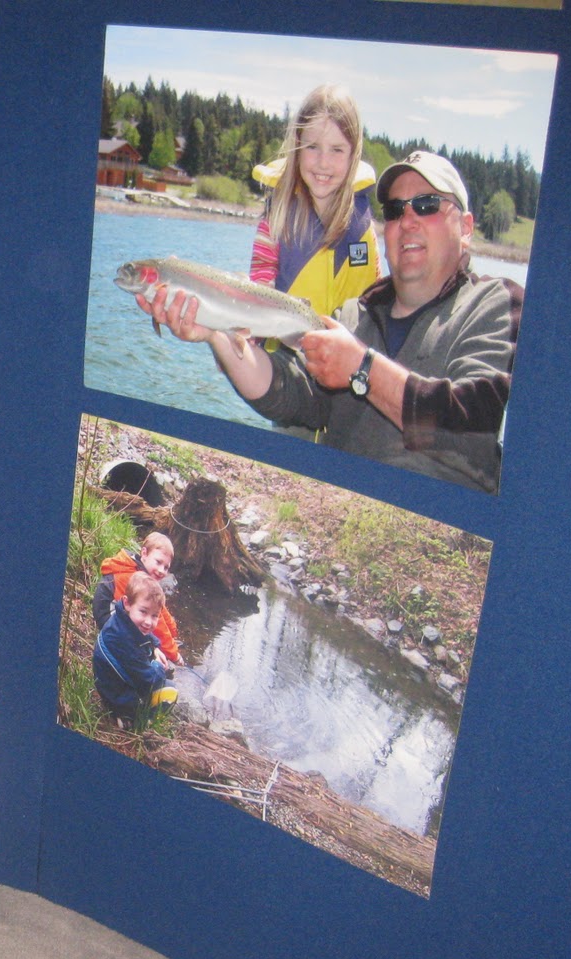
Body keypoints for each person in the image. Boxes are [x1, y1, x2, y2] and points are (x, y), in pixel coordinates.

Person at [142, 150, 519, 494]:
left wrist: (362, 369)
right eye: (394, 210)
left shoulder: (496, 303)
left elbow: (474, 420)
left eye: (426, 204)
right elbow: (291, 395)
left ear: (466, 228)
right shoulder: (353, 317)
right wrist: (216, 332)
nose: (408, 220)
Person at [249, 85, 379, 321]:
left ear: (354, 155)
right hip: (286, 354)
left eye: (337, 150)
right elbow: (258, 302)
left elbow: (377, 295)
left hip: (350, 352)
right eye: (312, 147)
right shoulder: (276, 222)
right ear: (297, 149)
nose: (323, 163)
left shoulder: (363, 226)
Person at [93, 573, 175, 728]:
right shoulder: (124, 639)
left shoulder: (121, 619)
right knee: (171, 689)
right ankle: (134, 721)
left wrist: (155, 646)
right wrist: (158, 667)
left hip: (112, 684)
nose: (148, 621)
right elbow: (149, 682)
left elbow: (145, 636)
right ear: (127, 603)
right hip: (118, 696)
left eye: (154, 616)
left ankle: (125, 713)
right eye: (143, 612)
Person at [91, 531, 183, 669]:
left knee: (147, 618)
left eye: (166, 567)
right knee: (144, 643)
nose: (161, 570)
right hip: (108, 619)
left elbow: (158, 608)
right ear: (144, 554)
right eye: (158, 562)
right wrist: (174, 654)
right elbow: (158, 625)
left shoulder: (143, 573)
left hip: (121, 613)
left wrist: (173, 630)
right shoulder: (132, 577)